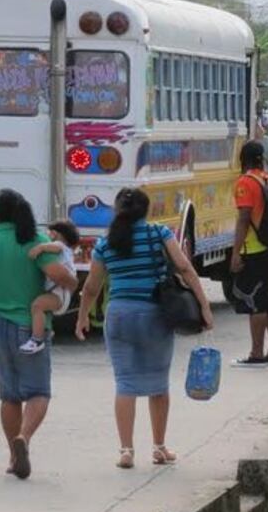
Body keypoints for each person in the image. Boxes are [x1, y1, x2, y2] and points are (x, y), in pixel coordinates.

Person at [75, 188, 214, 470]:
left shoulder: (105, 243)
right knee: (158, 383)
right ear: (146, 210)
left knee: (125, 383)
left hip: (119, 315)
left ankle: (126, 450)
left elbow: (91, 287)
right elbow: (185, 268)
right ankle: (159, 447)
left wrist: (82, 317)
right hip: (153, 314)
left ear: (117, 210)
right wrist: (204, 305)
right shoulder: (158, 233)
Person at [0, 189, 78, 480]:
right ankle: (24, 436)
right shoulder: (34, 241)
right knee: (38, 392)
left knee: (9, 396)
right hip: (30, 325)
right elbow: (59, 275)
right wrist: (73, 283)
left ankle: (13, 455)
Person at [230, 141, 268, 367]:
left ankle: (256, 354)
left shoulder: (245, 182)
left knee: (257, 305)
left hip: (254, 250)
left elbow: (244, 218)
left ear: (242, 158)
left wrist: (235, 253)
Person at [22, 219, 80, 354]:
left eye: (49, 232)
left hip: (59, 292)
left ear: (55, 233)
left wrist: (40, 248)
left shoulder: (60, 246)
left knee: (37, 306)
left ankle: (37, 340)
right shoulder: (68, 251)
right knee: (42, 309)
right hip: (59, 291)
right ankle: (46, 331)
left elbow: (56, 247)